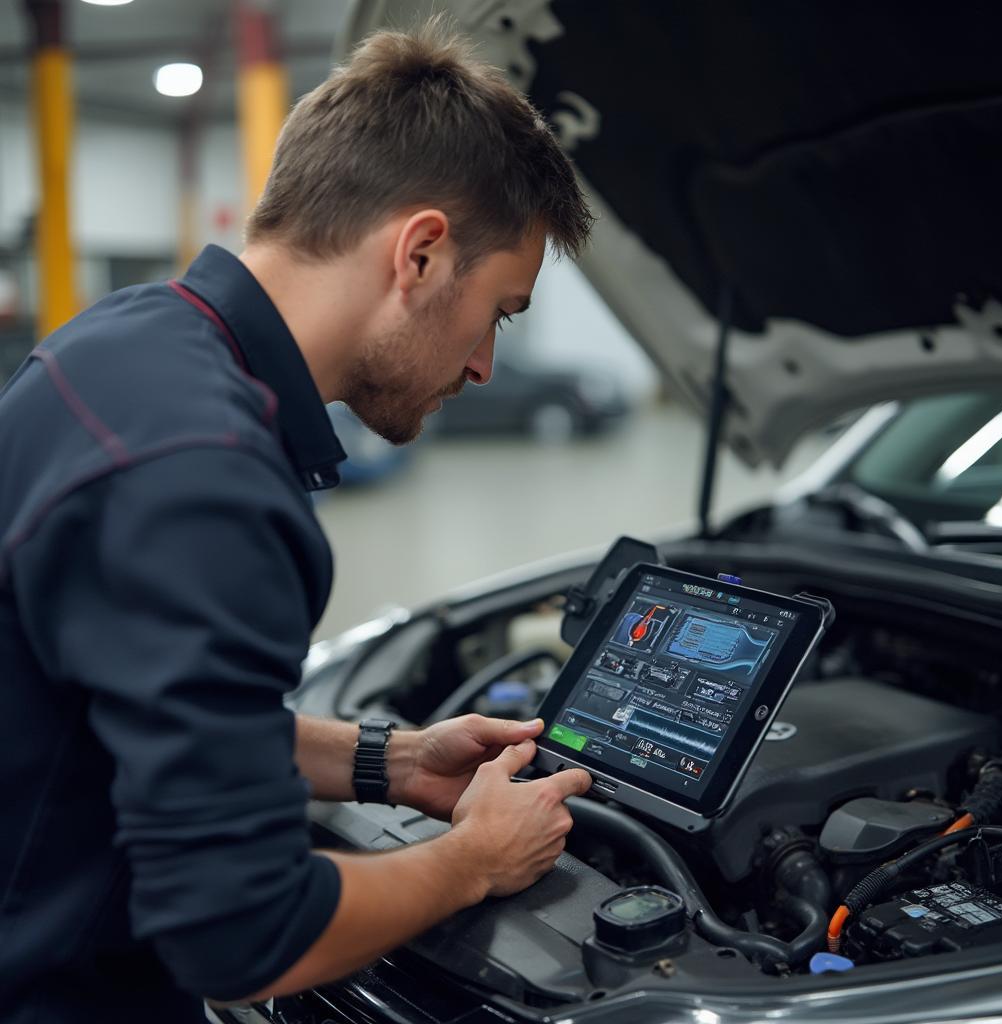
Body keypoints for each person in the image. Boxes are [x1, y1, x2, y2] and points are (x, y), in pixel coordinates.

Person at [0, 19, 595, 1023]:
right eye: (501, 308)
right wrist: (473, 860)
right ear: (419, 253)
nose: (487, 363)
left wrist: (392, 762)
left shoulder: (126, 341)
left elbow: (149, 715)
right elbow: (243, 933)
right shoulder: (206, 480)